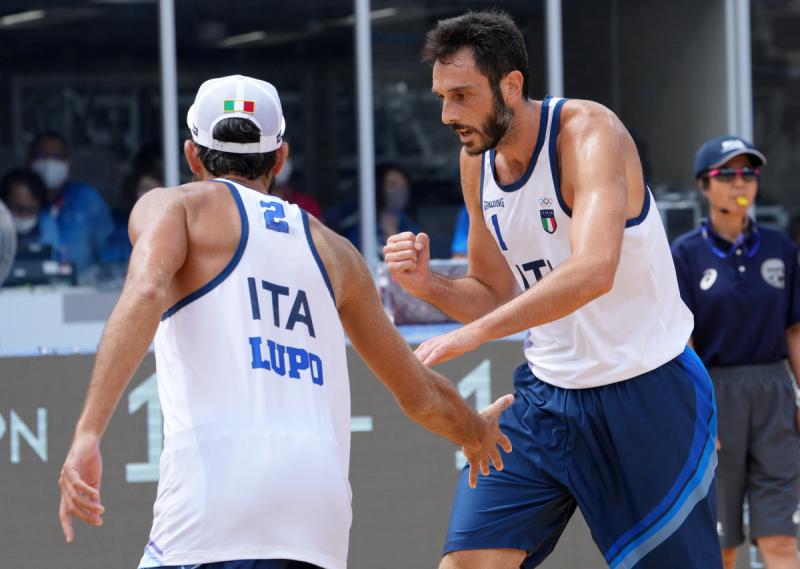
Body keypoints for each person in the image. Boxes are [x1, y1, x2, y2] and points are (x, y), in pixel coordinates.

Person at [57, 74, 513, 569]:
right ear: (279, 158)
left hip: (213, 507)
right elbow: (417, 392)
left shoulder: (176, 207)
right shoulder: (336, 251)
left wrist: (88, 432)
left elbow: (145, 291)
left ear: (192, 155)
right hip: (316, 518)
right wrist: (473, 431)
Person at [384, 10, 721, 568]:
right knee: (466, 564)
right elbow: (492, 291)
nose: (448, 114)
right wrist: (428, 285)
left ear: (510, 86)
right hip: (545, 398)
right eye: (442, 97)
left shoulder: (589, 134)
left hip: (646, 390)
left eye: (462, 95)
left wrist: (473, 336)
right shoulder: (476, 163)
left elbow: (593, 270)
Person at [671, 136, 800, 569]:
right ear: (704, 186)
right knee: (722, 546)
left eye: (748, 173)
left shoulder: (781, 248)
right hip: (717, 394)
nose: (739, 183)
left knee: (781, 540)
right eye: (726, 174)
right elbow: (682, 342)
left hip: (774, 393)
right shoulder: (685, 253)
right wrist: (699, 410)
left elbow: (795, 330)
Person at [29, 131, 114, 275]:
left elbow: (107, 247)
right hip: (29, 291)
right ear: (30, 161)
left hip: (83, 291)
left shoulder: (87, 197)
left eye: (56, 157)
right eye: (42, 156)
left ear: (68, 163)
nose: (49, 163)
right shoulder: (21, 199)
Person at [0, 168, 60, 254]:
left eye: (31, 209)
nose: (23, 215)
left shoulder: (47, 225)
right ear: (3, 204)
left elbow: (54, 257)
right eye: (17, 208)